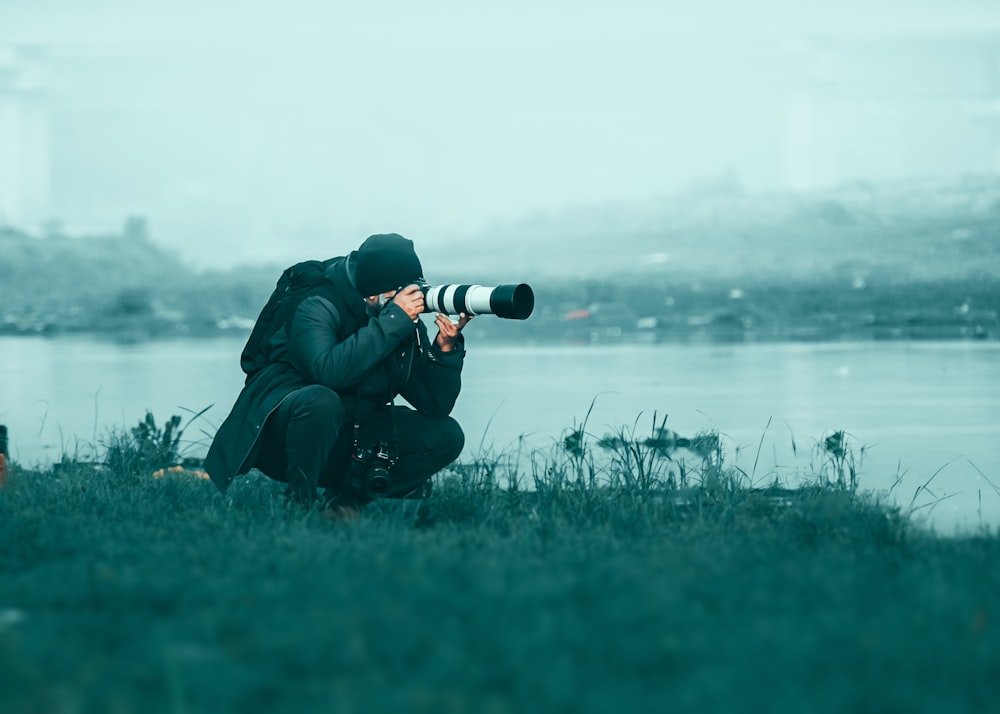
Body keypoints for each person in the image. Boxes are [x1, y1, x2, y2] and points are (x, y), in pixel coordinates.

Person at [204, 233, 471, 513]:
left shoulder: (399, 320)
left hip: (352, 433)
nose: (407, 300)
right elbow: (328, 372)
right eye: (399, 294)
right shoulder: (317, 304)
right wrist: (394, 320)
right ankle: (299, 504)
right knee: (321, 401)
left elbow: (436, 404)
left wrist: (445, 349)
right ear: (373, 293)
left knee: (447, 435)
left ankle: (345, 501)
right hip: (287, 438)